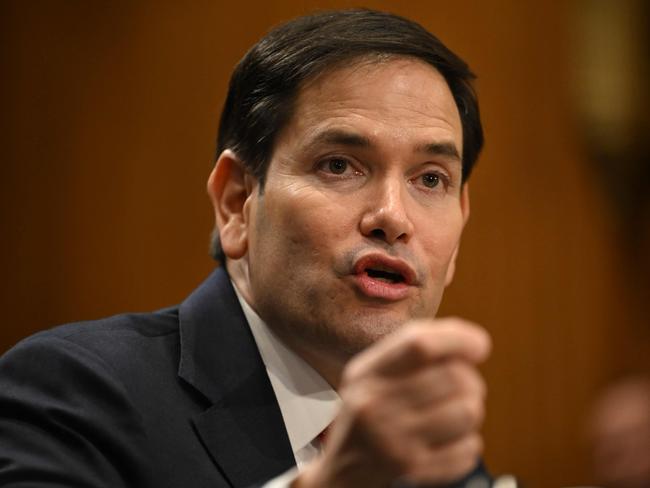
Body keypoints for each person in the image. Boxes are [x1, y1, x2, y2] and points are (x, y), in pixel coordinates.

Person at [0, 9, 492, 488]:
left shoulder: (431, 460)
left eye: (430, 178)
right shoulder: (76, 397)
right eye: (339, 165)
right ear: (237, 203)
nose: (392, 216)